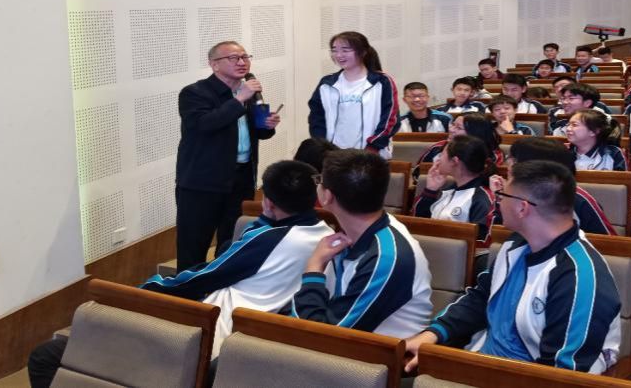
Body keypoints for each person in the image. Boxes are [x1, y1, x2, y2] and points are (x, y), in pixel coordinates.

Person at [27, 161, 332, 385]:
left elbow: (203, 277)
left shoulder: (269, 239)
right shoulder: (325, 235)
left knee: (46, 356)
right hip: (237, 334)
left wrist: (143, 292)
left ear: (269, 202)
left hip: (204, 334)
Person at [404, 160, 622, 375]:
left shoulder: (578, 277)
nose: (496, 201)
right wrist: (432, 334)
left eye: (501, 195)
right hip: (479, 359)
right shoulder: (516, 244)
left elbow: (561, 375)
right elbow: (481, 297)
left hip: (518, 377)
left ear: (522, 207)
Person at [285, 149, 432, 336]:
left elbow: (323, 335)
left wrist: (314, 268)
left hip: (375, 352)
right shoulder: (354, 233)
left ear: (327, 196)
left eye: (320, 180)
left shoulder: (386, 256)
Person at [175, 41, 281, 272]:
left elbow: (259, 133)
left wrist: (268, 124)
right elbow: (204, 125)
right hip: (202, 182)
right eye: (234, 58)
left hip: (241, 178)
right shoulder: (194, 93)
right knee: (193, 245)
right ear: (214, 64)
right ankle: (188, 292)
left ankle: (223, 285)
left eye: (245, 57)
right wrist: (239, 99)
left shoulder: (248, 92)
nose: (242, 62)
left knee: (232, 242)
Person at [501, 137, 616, 236]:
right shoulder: (511, 191)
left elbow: (608, 243)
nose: (508, 164)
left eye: (514, 160)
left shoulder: (577, 199)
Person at [308, 31, 398, 158]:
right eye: (334, 50)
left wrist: (373, 148)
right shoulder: (327, 84)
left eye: (345, 50)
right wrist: (324, 148)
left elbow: (390, 120)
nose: (339, 55)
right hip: (335, 157)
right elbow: (316, 119)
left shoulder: (382, 82)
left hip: (372, 156)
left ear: (363, 52)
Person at [412, 135, 497, 246]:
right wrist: (430, 191)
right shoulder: (447, 189)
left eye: (441, 155)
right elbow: (418, 225)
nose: (438, 159)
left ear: (454, 161)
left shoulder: (481, 199)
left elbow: (480, 245)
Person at [414, 112, 504, 177]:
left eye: (459, 128)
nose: (451, 130)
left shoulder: (493, 155)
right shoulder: (438, 147)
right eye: (453, 125)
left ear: (475, 133)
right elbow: (418, 172)